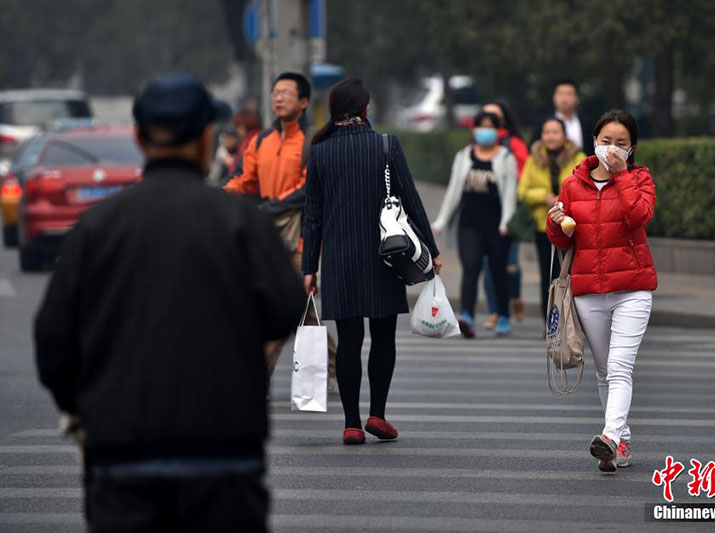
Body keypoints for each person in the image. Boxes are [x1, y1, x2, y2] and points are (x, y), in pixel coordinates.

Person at [34, 74, 306, 531]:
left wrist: (88, 408)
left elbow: (53, 343)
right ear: (206, 139)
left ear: (140, 139)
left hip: (122, 459)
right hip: (223, 460)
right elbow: (284, 307)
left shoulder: (98, 227)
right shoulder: (241, 223)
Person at [302, 78, 442, 445]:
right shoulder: (385, 145)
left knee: (349, 341)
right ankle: (377, 415)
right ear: (365, 108)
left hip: (339, 260)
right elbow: (411, 200)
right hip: (386, 255)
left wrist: (308, 268)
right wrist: (431, 250)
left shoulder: (319, 152)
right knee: (383, 337)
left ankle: (351, 424)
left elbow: (312, 216)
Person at [547, 109, 657, 473]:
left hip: (633, 288)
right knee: (604, 370)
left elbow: (638, 216)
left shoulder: (639, 178)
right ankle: (621, 441)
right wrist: (555, 223)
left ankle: (609, 437)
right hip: (588, 290)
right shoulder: (573, 183)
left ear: (632, 148)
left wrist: (621, 175)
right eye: (606, 140)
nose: (612, 147)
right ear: (594, 141)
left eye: (621, 143)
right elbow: (562, 239)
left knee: (620, 367)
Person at [224, 72, 338, 391]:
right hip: (269, 237)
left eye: (286, 93)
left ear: (303, 102)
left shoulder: (313, 142)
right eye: (275, 92)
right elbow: (244, 179)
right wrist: (219, 194)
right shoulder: (262, 140)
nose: (278, 98)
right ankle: (339, 365)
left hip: (301, 238)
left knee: (282, 305)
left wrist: (271, 208)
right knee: (303, 312)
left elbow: (308, 188)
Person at [432, 111, 517, 338]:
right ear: (473, 130)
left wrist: (506, 222)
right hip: (469, 224)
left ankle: (503, 315)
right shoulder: (463, 156)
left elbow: (510, 193)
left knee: (498, 271)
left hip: (498, 226)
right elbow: (453, 190)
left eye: (490, 127)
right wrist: (442, 220)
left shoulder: (506, 158)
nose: (485, 131)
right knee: (470, 268)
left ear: (498, 131)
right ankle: (466, 315)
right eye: (481, 126)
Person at [518, 116, 585, 327]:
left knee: (570, 275)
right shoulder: (534, 158)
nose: (551, 136)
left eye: (555, 132)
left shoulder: (578, 157)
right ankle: (550, 322)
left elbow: (585, 187)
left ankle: (570, 321)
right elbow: (523, 192)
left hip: (572, 227)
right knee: (548, 276)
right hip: (544, 227)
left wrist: (564, 199)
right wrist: (544, 196)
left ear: (564, 135)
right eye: (547, 132)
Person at [480, 101, 527, 327]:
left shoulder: (514, 144)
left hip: (509, 212)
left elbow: (524, 173)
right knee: (488, 264)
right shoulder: (476, 145)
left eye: (495, 117)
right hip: (485, 212)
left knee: (510, 265)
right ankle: (497, 311)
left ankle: (515, 296)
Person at [551, 79, 594, 155]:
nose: (564, 98)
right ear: (554, 97)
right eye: (560, 94)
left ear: (577, 98)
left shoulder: (588, 124)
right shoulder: (543, 124)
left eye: (569, 94)